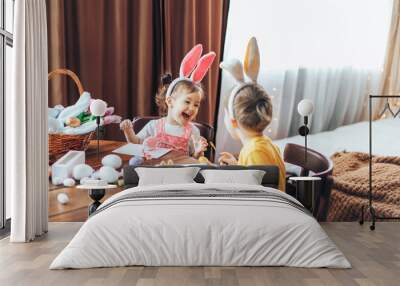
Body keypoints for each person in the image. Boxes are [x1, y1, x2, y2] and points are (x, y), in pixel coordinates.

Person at [120, 44, 216, 159]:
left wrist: (198, 152)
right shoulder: (153, 126)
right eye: (187, 102)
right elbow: (136, 143)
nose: (192, 108)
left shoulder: (193, 132)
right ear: (170, 102)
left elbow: (193, 160)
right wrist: (128, 131)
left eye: (196, 105)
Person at [218, 37, 285, 191]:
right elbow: (255, 176)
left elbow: (254, 195)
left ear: (233, 121)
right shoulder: (264, 144)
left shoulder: (254, 152)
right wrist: (237, 166)